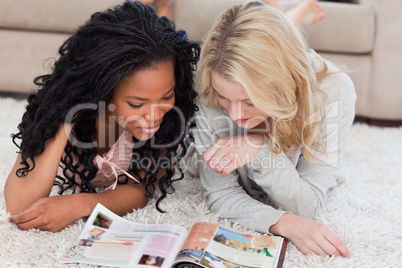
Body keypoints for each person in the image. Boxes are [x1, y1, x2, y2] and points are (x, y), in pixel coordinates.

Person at [4, 1, 200, 233]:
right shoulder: (64, 112)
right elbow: (19, 207)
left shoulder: (169, 121)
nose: (154, 116)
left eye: (166, 96)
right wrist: (66, 112)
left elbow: (139, 190)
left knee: (159, 37)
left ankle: (161, 7)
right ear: (101, 92)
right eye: (137, 104)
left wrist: (79, 204)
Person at [191, 1, 356, 257]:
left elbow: (307, 204)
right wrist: (286, 224)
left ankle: (290, 16)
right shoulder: (209, 89)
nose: (234, 116)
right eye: (225, 98)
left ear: (282, 86)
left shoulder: (333, 94)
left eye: (249, 102)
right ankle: (287, 16)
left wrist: (260, 149)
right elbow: (220, 193)